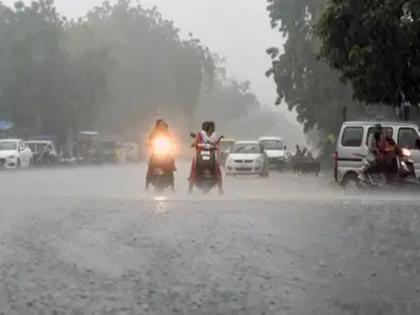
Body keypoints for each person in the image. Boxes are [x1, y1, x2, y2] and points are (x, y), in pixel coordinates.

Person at [188, 121, 223, 193]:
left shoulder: (214, 135)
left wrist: (217, 144)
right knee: (194, 162)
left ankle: (220, 188)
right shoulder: (200, 134)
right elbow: (197, 141)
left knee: (217, 165)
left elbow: (216, 143)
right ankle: (191, 184)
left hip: (211, 153)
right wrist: (195, 144)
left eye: (212, 127)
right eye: (210, 127)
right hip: (200, 152)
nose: (212, 129)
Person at [145, 119, 175, 190]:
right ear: (157, 125)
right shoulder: (153, 133)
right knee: (150, 165)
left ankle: (172, 184)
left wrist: (172, 147)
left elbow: (171, 141)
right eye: (161, 124)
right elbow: (149, 141)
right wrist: (150, 145)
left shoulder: (167, 132)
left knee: (170, 164)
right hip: (156, 152)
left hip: (165, 153)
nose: (162, 126)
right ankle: (147, 183)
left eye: (163, 124)